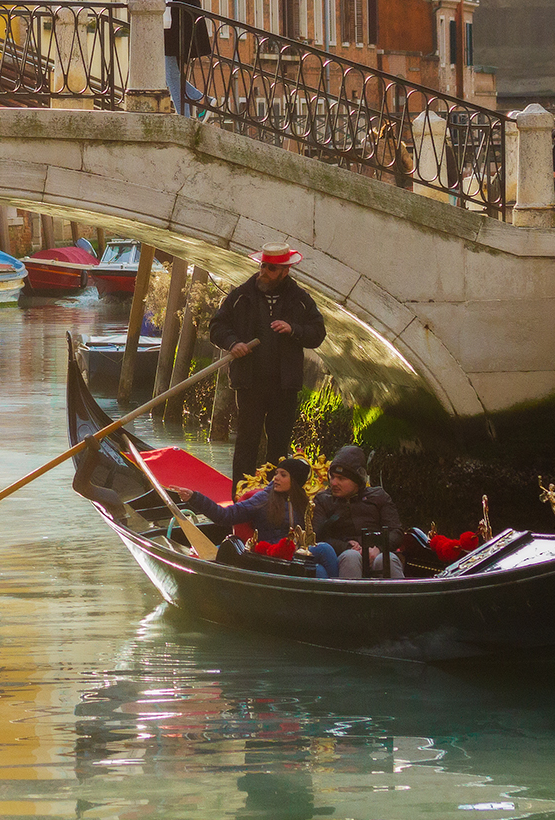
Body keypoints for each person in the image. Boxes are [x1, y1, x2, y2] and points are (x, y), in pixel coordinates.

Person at [207, 244, 326, 487]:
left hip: (285, 386)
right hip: (249, 384)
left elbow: (317, 333)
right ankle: (240, 497)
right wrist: (233, 343)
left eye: (270, 268)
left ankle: (276, 498)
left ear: (285, 271)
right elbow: (217, 327)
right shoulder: (240, 296)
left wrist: (294, 330)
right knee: (246, 442)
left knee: (280, 445)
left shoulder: (301, 300)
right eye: (262, 265)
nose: (263, 271)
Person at [169, 455, 310, 549]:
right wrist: (195, 497)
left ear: (296, 481)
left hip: (297, 555)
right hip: (269, 557)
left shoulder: (305, 503)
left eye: (283, 475)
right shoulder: (263, 499)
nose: (276, 478)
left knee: (324, 550)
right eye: (276, 474)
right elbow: (225, 516)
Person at [309, 445, 404, 579]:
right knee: (351, 557)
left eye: (341, 479)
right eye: (333, 477)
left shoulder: (378, 496)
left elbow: (396, 532)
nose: (334, 483)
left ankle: (400, 598)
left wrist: (378, 548)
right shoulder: (324, 500)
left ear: (357, 482)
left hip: (378, 550)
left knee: (386, 560)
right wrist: (346, 546)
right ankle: (352, 600)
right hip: (343, 554)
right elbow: (317, 536)